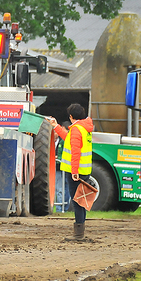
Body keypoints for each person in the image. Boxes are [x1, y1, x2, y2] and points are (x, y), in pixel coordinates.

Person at [49, 103, 94, 241]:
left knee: (77, 202)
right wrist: (55, 125)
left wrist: (74, 171)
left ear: (71, 116)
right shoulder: (84, 128)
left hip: (76, 171)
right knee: (81, 201)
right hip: (84, 170)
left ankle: (78, 234)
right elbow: (68, 139)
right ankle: (80, 232)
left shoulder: (76, 129)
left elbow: (75, 152)